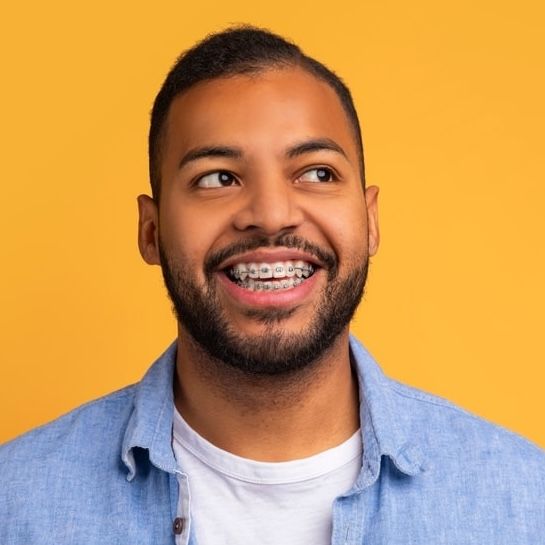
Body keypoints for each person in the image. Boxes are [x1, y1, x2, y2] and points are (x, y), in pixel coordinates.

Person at [1, 25, 544, 545]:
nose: (271, 214)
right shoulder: (16, 504)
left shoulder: (526, 503)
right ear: (151, 230)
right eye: (217, 178)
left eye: (317, 172)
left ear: (371, 219)